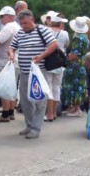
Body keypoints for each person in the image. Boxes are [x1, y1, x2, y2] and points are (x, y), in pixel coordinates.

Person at [8, 10, 58, 138]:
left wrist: (41, 56)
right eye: (21, 23)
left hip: (39, 72)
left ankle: (36, 128)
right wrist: (12, 54)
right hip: (24, 71)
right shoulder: (20, 33)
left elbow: (54, 44)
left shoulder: (43, 30)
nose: (23, 26)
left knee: (39, 100)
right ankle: (29, 125)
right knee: (25, 101)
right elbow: (12, 46)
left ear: (32, 20)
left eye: (25, 23)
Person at [0, 6, 20, 122]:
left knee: (4, 88)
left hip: (5, 62)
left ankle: (5, 114)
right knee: (12, 88)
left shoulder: (8, 27)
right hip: (15, 61)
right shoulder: (17, 27)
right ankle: (11, 111)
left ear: (9, 17)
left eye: (2, 16)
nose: (0, 18)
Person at [61, 17, 90, 117]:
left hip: (75, 65)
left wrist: (66, 58)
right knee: (76, 86)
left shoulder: (78, 38)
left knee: (74, 85)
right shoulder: (84, 36)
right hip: (80, 64)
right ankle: (73, 107)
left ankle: (76, 108)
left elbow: (74, 53)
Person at [43, 12, 69, 121]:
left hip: (48, 62)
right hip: (60, 62)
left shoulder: (46, 31)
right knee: (56, 87)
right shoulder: (65, 34)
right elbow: (66, 45)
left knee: (48, 87)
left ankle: (48, 114)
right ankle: (53, 113)